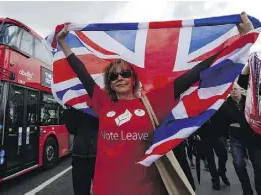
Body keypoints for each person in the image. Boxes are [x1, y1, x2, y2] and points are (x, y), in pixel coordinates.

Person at [56, 12, 253, 195]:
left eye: (125, 73)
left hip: (145, 189)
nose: (119, 78)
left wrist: (241, 41)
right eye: (113, 76)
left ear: (133, 78)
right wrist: (63, 42)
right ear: (109, 82)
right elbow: (81, 72)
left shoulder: (153, 102)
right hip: (105, 188)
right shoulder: (102, 102)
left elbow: (193, 74)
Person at [224, 54, 261, 195]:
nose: (233, 92)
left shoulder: (250, 101)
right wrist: (228, 130)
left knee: (258, 168)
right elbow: (222, 122)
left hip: (253, 139)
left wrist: (249, 63)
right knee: (239, 164)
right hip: (236, 139)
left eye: (235, 89)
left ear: (240, 90)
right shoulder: (225, 106)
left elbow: (245, 79)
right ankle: (247, 191)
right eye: (231, 90)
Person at [62, 105, 99, 195]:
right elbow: (72, 129)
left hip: (100, 156)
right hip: (80, 156)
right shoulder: (76, 105)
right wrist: (69, 110)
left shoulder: (102, 101)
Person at [196, 111, 230, 190]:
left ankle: (221, 172)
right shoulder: (197, 106)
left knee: (224, 156)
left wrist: (226, 133)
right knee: (210, 160)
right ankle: (215, 180)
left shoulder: (214, 104)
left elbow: (222, 118)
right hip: (204, 136)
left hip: (217, 134)